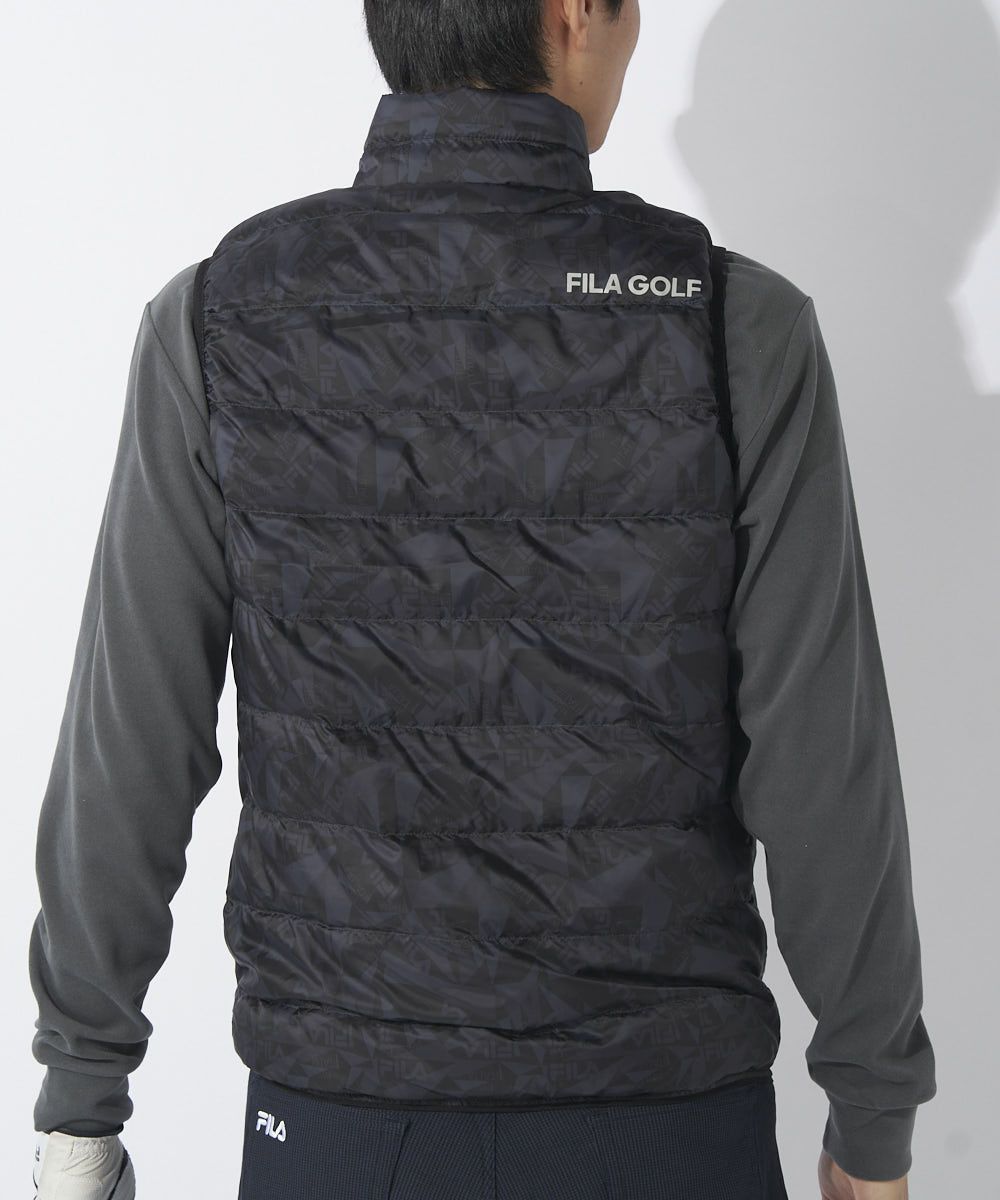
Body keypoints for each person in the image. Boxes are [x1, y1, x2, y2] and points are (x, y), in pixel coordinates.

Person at [29, 1, 937, 1197]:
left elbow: (130, 746)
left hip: (340, 1124)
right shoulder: (730, 323)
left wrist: (81, 1102)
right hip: (663, 1120)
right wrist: (870, 1111)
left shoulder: (219, 317)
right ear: (573, 13)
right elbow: (822, 763)